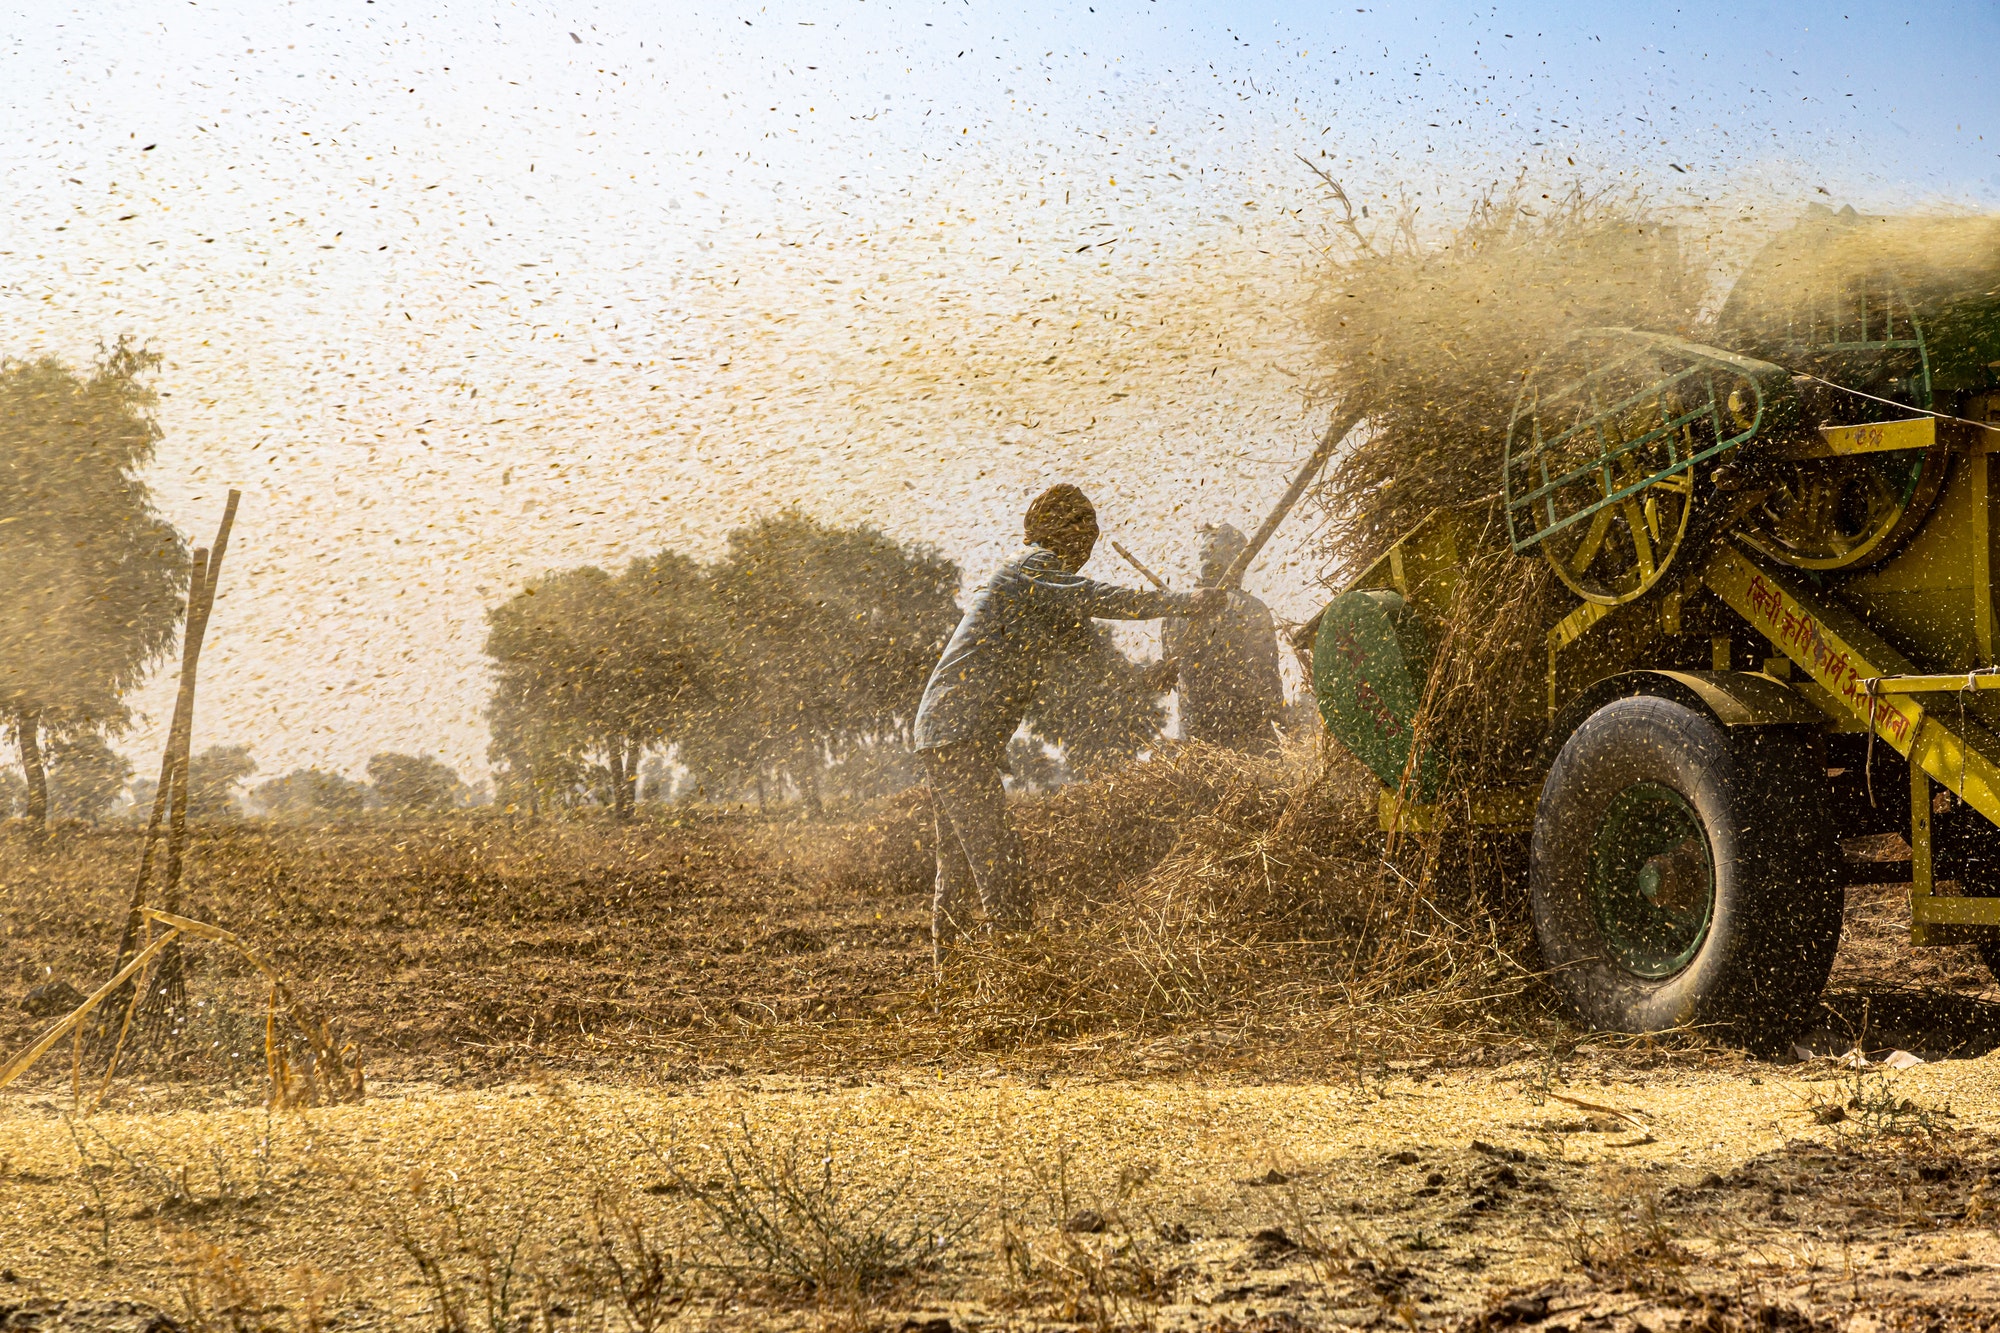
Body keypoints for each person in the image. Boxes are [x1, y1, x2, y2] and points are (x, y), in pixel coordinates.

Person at [913, 484, 1224, 960]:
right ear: (1056, 529)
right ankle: (1016, 968)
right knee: (999, 859)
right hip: (957, 730)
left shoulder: (1049, 598)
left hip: (949, 730)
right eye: (1082, 530)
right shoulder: (1031, 569)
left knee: (957, 860)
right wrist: (1183, 602)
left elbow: (1100, 665)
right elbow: (1101, 598)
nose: (1088, 544)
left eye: (1093, 534)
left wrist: (1149, 676)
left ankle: (946, 977)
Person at [1162, 523, 1285, 754]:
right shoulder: (1250, 608)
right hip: (1249, 739)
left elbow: (1172, 677)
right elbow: (1268, 678)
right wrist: (1288, 726)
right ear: (1237, 559)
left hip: (1195, 743)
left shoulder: (1174, 613)